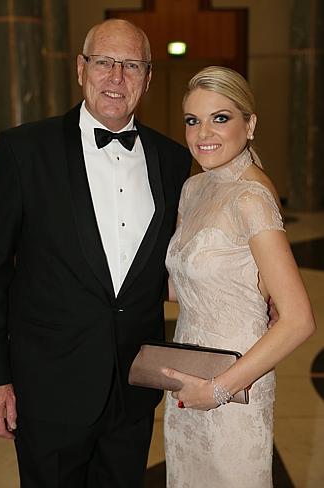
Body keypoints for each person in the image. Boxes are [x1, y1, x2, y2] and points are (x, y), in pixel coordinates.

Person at [0, 19, 191, 487]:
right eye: (104, 62)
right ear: (80, 68)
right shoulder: (24, 149)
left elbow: (176, 263)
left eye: (131, 65)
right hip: (48, 387)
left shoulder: (172, 159)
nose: (116, 77)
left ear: (147, 78)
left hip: (132, 389)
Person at [162, 66, 315, 487]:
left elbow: (299, 319)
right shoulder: (194, 189)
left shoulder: (252, 198)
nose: (202, 133)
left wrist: (218, 390)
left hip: (235, 384)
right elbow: (182, 288)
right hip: (188, 373)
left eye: (220, 117)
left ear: (250, 125)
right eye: (193, 120)